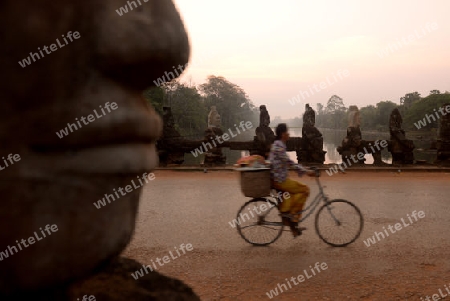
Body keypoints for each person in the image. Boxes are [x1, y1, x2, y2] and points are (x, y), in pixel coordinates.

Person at [269, 123, 313, 237]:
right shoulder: (279, 146)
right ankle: (293, 217)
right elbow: (289, 162)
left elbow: (289, 163)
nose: (289, 134)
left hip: (279, 178)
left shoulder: (278, 144)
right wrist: (306, 171)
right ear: (283, 134)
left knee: (292, 195)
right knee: (305, 190)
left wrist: (304, 169)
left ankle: (291, 221)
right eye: (287, 132)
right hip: (280, 180)